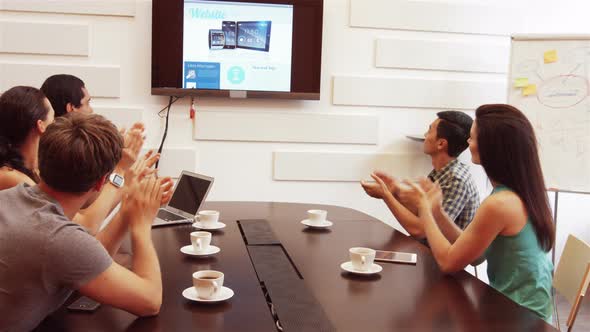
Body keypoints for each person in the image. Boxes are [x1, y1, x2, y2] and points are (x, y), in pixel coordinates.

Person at [372, 104, 554, 322]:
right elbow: (476, 257)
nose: (468, 143)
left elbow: (448, 263)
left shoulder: (500, 204)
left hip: (519, 318)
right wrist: (437, 212)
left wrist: (426, 209)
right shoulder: (515, 194)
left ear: (491, 148)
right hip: (519, 309)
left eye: (473, 138)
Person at [0, 113, 166, 331]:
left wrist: (127, 210)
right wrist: (141, 225)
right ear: (100, 183)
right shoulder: (58, 238)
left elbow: (88, 262)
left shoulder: (11, 197)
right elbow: (150, 301)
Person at [361, 111, 480, 240]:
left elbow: (422, 231)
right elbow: (422, 214)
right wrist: (393, 191)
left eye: (429, 131)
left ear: (441, 143)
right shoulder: (442, 172)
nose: (425, 135)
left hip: (439, 258)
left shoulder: (456, 180)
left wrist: (387, 195)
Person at [0, 86, 54, 189]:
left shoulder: (29, 170)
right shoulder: (11, 177)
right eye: (53, 118)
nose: (55, 123)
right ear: (41, 125)